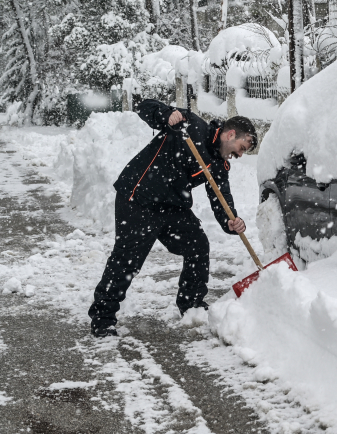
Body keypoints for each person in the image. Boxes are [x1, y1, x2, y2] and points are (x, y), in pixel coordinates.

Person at [88, 99, 257, 338]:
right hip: (140, 196)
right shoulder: (191, 125)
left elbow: (221, 199)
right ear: (231, 134)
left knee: (198, 244)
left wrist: (231, 221)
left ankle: (192, 304)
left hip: (172, 205)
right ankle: (102, 318)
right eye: (243, 146)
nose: (241, 154)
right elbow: (145, 106)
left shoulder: (219, 164)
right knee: (127, 260)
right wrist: (166, 114)